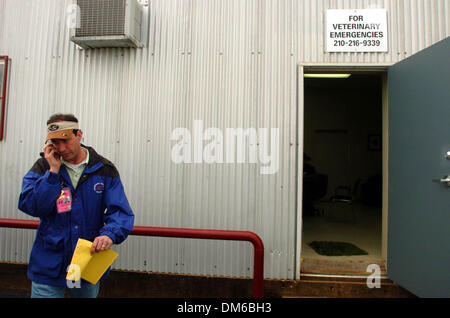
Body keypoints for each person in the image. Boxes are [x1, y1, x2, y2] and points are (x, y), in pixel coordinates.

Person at [18, 113, 134, 298]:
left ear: (79, 134)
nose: (62, 148)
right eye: (55, 142)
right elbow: (30, 205)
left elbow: (120, 212)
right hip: (49, 261)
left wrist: (108, 235)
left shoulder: (104, 169)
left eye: (67, 140)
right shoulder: (43, 167)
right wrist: (53, 173)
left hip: (86, 260)